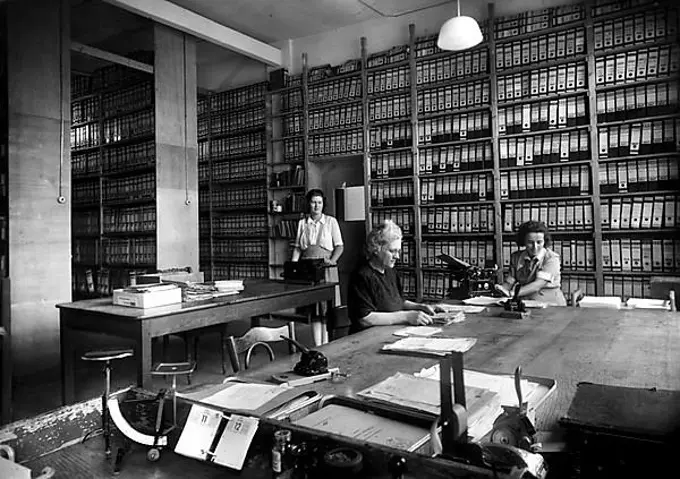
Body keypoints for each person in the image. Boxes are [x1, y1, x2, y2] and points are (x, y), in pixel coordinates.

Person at [348, 219, 439, 333]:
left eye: (399, 251)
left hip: (391, 331)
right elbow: (365, 319)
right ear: (376, 249)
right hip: (367, 336)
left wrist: (420, 307)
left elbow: (398, 302)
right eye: (392, 251)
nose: (397, 257)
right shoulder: (361, 276)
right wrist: (406, 316)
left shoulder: (390, 271)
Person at [292, 188, 344, 344]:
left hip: (326, 268)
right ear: (308, 204)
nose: (316, 206)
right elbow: (297, 248)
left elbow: (339, 246)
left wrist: (332, 260)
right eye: (313, 202)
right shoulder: (302, 223)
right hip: (308, 269)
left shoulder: (331, 222)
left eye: (319, 203)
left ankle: (327, 345)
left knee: (326, 309)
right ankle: (317, 345)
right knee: (314, 309)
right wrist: (293, 267)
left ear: (323, 204)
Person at [495, 220, 567, 306]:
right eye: (530, 242)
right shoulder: (516, 257)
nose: (535, 247)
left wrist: (512, 293)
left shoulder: (551, 258)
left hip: (551, 305)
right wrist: (501, 289)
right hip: (526, 303)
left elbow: (537, 285)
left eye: (539, 242)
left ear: (544, 241)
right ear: (524, 241)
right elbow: (510, 281)